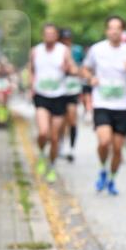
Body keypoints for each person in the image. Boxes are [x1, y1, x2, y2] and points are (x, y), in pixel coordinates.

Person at [81, 16, 126, 196]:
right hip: (102, 103)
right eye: (111, 28)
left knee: (117, 148)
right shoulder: (97, 49)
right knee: (104, 142)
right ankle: (102, 168)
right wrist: (90, 78)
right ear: (106, 31)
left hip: (122, 106)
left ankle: (111, 178)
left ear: (123, 31)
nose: (114, 31)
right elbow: (85, 68)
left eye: (118, 28)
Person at [29, 23, 76, 184]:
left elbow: (73, 69)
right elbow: (30, 70)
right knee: (43, 132)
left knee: (55, 138)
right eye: (46, 33)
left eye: (52, 34)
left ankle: (51, 165)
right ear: (43, 35)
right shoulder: (35, 51)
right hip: (41, 95)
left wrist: (69, 69)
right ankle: (42, 154)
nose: (49, 36)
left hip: (59, 96)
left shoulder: (63, 50)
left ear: (56, 36)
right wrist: (31, 86)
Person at [59, 28, 84, 161]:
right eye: (63, 39)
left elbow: (83, 68)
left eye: (68, 39)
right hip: (58, 91)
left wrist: (76, 70)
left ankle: (71, 148)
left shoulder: (77, 50)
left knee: (72, 118)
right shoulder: (56, 51)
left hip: (73, 89)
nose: (66, 42)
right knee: (61, 121)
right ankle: (61, 145)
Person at [0, 58, 16, 124]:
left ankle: (5, 116)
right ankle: (0, 117)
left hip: (6, 83)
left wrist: (12, 85)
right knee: (0, 100)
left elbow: (11, 73)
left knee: (5, 101)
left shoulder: (8, 68)